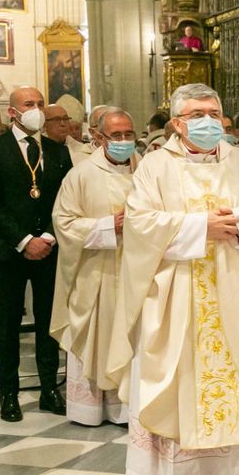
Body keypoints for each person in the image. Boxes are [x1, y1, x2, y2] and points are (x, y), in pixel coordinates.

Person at [108, 83, 239, 475]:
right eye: (195, 114)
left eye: (213, 112)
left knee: (231, 378)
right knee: (173, 381)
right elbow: (140, 223)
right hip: (175, 294)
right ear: (176, 122)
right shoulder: (154, 166)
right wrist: (198, 226)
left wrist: (236, 223)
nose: (207, 121)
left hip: (234, 289)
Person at [0, 86, 74, 421]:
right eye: (29, 104)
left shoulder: (57, 151)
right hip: (9, 249)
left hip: (48, 247)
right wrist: (22, 240)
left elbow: (66, 200)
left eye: (40, 103)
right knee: (8, 323)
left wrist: (45, 235)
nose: (37, 108)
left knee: (48, 320)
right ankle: (9, 394)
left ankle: (49, 388)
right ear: (13, 111)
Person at [50, 109, 140, 426]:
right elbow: (63, 222)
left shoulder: (147, 171)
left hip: (138, 274)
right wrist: (106, 226)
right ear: (100, 138)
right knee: (99, 336)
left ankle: (128, 407)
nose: (125, 141)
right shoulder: (82, 174)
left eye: (129, 134)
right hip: (97, 273)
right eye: (117, 136)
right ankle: (91, 409)